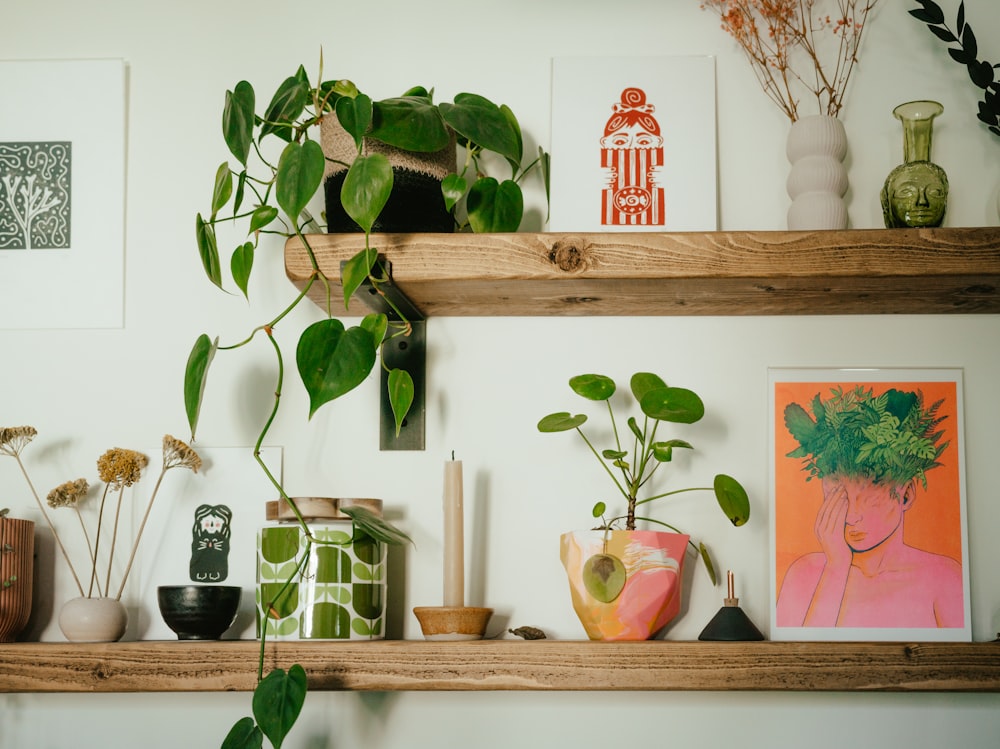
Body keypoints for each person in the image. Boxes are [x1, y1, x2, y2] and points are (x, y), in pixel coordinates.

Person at [777, 385, 963, 628]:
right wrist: (836, 568)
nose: (852, 516)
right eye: (839, 491)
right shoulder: (802, 575)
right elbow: (802, 661)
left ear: (906, 494)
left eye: (870, 494)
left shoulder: (943, 578)